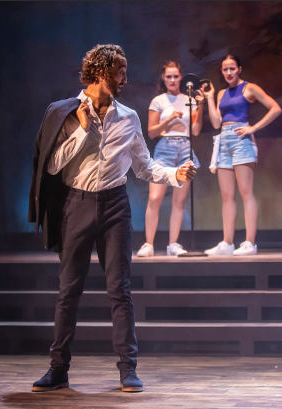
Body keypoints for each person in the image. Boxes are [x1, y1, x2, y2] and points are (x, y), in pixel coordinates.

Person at [28, 44, 196, 393]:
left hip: (115, 206)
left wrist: (174, 174)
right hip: (76, 204)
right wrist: (82, 131)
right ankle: (58, 369)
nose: (125, 79)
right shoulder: (66, 113)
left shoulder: (129, 117)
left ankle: (127, 369)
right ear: (102, 72)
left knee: (120, 290)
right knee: (69, 290)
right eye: (120, 72)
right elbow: (53, 166)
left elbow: (144, 167)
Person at [203, 55, 282, 256]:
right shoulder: (221, 93)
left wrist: (253, 128)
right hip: (224, 140)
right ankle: (227, 242)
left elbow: (275, 108)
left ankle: (249, 243)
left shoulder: (249, 88)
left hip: (241, 139)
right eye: (225, 69)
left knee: (246, 192)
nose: (228, 72)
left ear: (239, 69)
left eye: (232, 68)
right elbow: (215, 122)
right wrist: (210, 98)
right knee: (226, 195)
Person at [136, 61, 205, 257]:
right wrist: (169, 119)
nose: (173, 80)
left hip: (185, 148)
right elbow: (151, 132)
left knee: (179, 201)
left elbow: (196, 130)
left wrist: (200, 105)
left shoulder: (189, 99)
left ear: (181, 77)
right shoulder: (158, 101)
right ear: (163, 78)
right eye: (169, 76)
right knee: (155, 198)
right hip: (165, 147)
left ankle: (173, 244)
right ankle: (148, 244)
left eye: (176, 76)